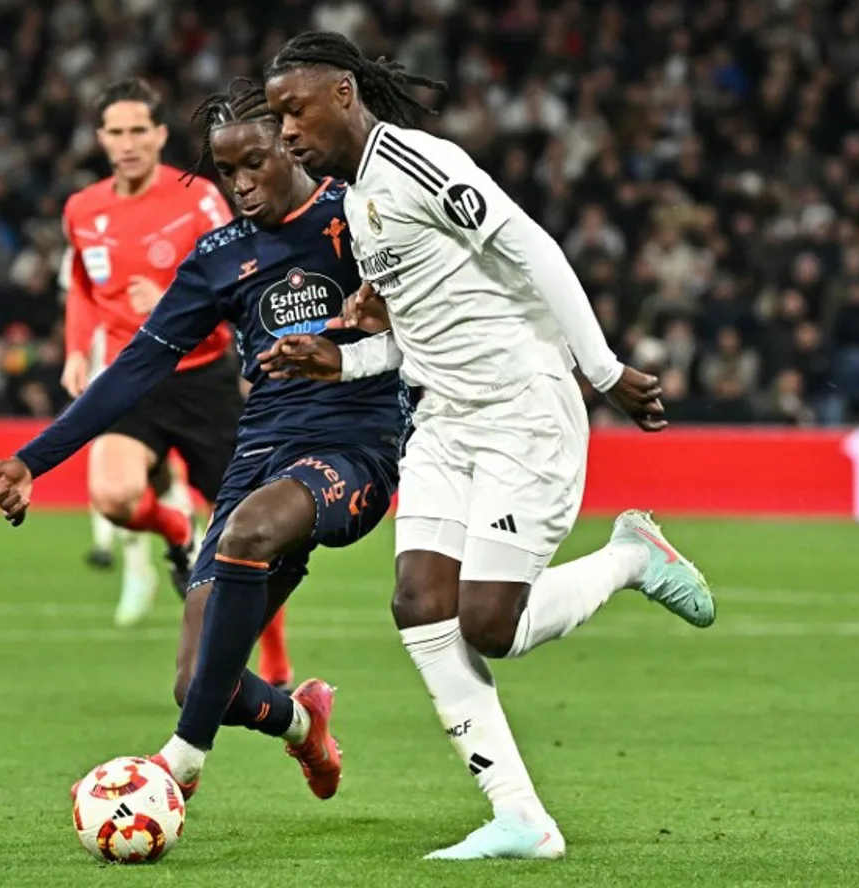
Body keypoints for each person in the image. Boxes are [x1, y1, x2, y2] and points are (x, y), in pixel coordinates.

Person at [257, 32, 717, 860]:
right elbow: (421, 338)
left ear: (343, 95)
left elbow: (532, 246)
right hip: (442, 421)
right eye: (275, 115)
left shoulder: (419, 163)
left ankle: (632, 557)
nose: (285, 132)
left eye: (295, 109)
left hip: (522, 411)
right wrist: (341, 358)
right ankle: (521, 818)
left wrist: (603, 368)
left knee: (491, 623)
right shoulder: (360, 205)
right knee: (417, 602)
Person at [0, 80, 410, 802]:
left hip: (352, 446)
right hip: (259, 453)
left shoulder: (355, 214)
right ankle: (304, 724)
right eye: (226, 171)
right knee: (197, 681)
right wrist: (34, 459)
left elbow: (433, 312)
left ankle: (181, 760)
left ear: (290, 143)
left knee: (247, 533)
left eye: (254, 164)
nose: (240, 185)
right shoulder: (219, 256)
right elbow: (136, 369)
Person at [58, 78, 242, 635]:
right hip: (130, 374)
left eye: (139, 129)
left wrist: (172, 303)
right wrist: (74, 352)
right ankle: (176, 529)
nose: (128, 142)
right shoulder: (83, 210)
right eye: (116, 132)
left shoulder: (199, 197)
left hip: (203, 373)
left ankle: (278, 669)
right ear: (101, 138)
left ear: (161, 134)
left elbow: (239, 280)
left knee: (243, 529)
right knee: (113, 497)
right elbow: (85, 289)